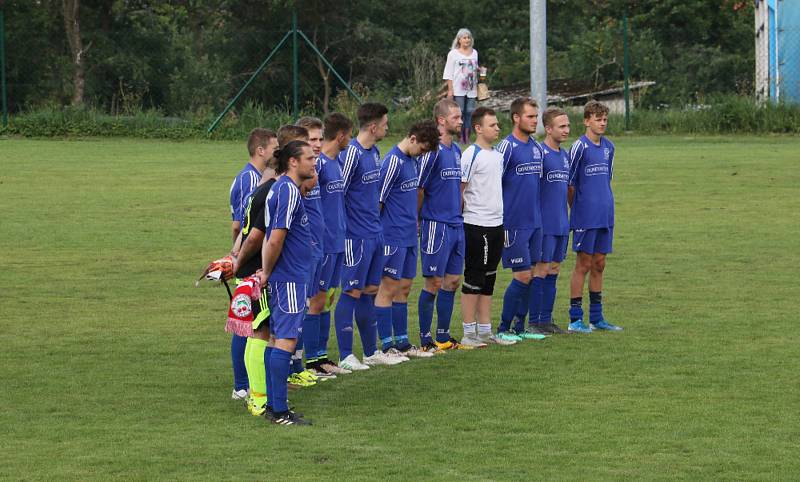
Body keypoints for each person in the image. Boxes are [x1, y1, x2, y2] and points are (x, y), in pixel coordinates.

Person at [335, 102, 405, 370]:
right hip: (356, 236)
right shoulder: (351, 154)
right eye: (385, 124)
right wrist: (346, 229)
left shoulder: (374, 152)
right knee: (351, 290)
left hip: (376, 233)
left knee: (370, 290)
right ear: (373, 127)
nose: (387, 128)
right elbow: (338, 194)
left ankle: (370, 351)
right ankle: (345, 355)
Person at [258, 140, 317, 426]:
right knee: (286, 340)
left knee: (276, 339)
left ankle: (274, 405)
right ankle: (279, 411)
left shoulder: (282, 188)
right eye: (308, 158)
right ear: (293, 161)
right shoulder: (288, 191)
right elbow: (276, 237)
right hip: (289, 277)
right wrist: (267, 271)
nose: (313, 162)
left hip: (288, 275)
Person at [374, 120, 440, 359]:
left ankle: (402, 341)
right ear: (412, 139)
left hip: (410, 235)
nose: (423, 154)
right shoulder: (393, 161)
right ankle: (386, 343)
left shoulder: (413, 161)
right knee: (388, 288)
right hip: (392, 235)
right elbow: (378, 200)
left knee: (404, 287)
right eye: (422, 148)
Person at [227, 128, 278, 400]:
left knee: (251, 323)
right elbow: (241, 226)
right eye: (274, 147)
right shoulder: (251, 180)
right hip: (248, 263)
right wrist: (236, 257)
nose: (277, 152)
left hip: (248, 260)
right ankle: (242, 384)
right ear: (261, 150)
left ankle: (251, 383)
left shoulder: (255, 178)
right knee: (247, 324)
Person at [458, 107, 515, 347]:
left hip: (496, 224)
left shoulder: (498, 155)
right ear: (478, 128)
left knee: (489, 279)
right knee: (474, 279)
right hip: (476, 224)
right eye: (492, 125)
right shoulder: (471, 154)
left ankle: (485, 331)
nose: (498, 128)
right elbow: (461, 190)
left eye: (498, 124)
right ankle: (468, 333)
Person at [417, 99, 470, 352]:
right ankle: (426, 340)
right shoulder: (432, 152)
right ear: (441, 120)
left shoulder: (457, 150)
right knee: (433, 283)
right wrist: (417, 220)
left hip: (456, 225)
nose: (461, 121)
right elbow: (419, 188)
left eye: (461, 117)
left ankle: (444, 337)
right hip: (435, 225)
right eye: (456, 117)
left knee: (452, 282)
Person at [303, 113, 354, 376]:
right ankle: (312, 360)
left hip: (337, 242)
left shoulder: (336, 161)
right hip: (320, 243)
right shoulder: (316, 166)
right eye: (312, 139)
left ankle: (321, 356)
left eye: (320, 138)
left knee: (326, 300)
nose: (318, 143)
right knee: (316, 300)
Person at [567, 101, 623, 333]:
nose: (602, 123)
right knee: (583, 264)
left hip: (605, 214)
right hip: (585, 216)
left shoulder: (609, 147)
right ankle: (575, 319)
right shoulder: (579, 147)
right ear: (587, 120)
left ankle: (597, 318)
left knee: (600, 264)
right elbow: (570, 184)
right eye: (598, 119)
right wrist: (578, 209)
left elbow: (605, 180)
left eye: (605, 119)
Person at [496, 97, 547, 341]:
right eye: (530, 116)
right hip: (513, 223)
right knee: (522, 275)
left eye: (536, 117)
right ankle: (503, 328)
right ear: (516, 118)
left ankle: (519, 327)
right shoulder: (506, 147)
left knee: (534, 274)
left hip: (535, 222)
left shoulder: (537, 148)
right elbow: (493, 183)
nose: (534, 121)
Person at [530, 107, 571, 334]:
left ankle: (547, 319)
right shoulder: (540, 154)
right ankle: (534, 321)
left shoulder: (564, 155)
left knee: (554, 268)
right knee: (541, 269)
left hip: (561, 223)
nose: (566, 130)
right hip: (544, 224)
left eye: (567, 126)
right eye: (561, 126)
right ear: (548, 129)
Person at [443, 28, 479, 144]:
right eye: (464, 38)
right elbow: (448, 73)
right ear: (459, 40)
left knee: (470, 111)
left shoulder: (474, 53)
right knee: (460, 112)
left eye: (468, 37)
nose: (467, 40)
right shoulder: (453, 54)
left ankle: (467, 137)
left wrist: (480, 71)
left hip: (472, 88)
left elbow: (474, 68)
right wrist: (450, 90)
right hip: (458, 88)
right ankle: (459, 136)